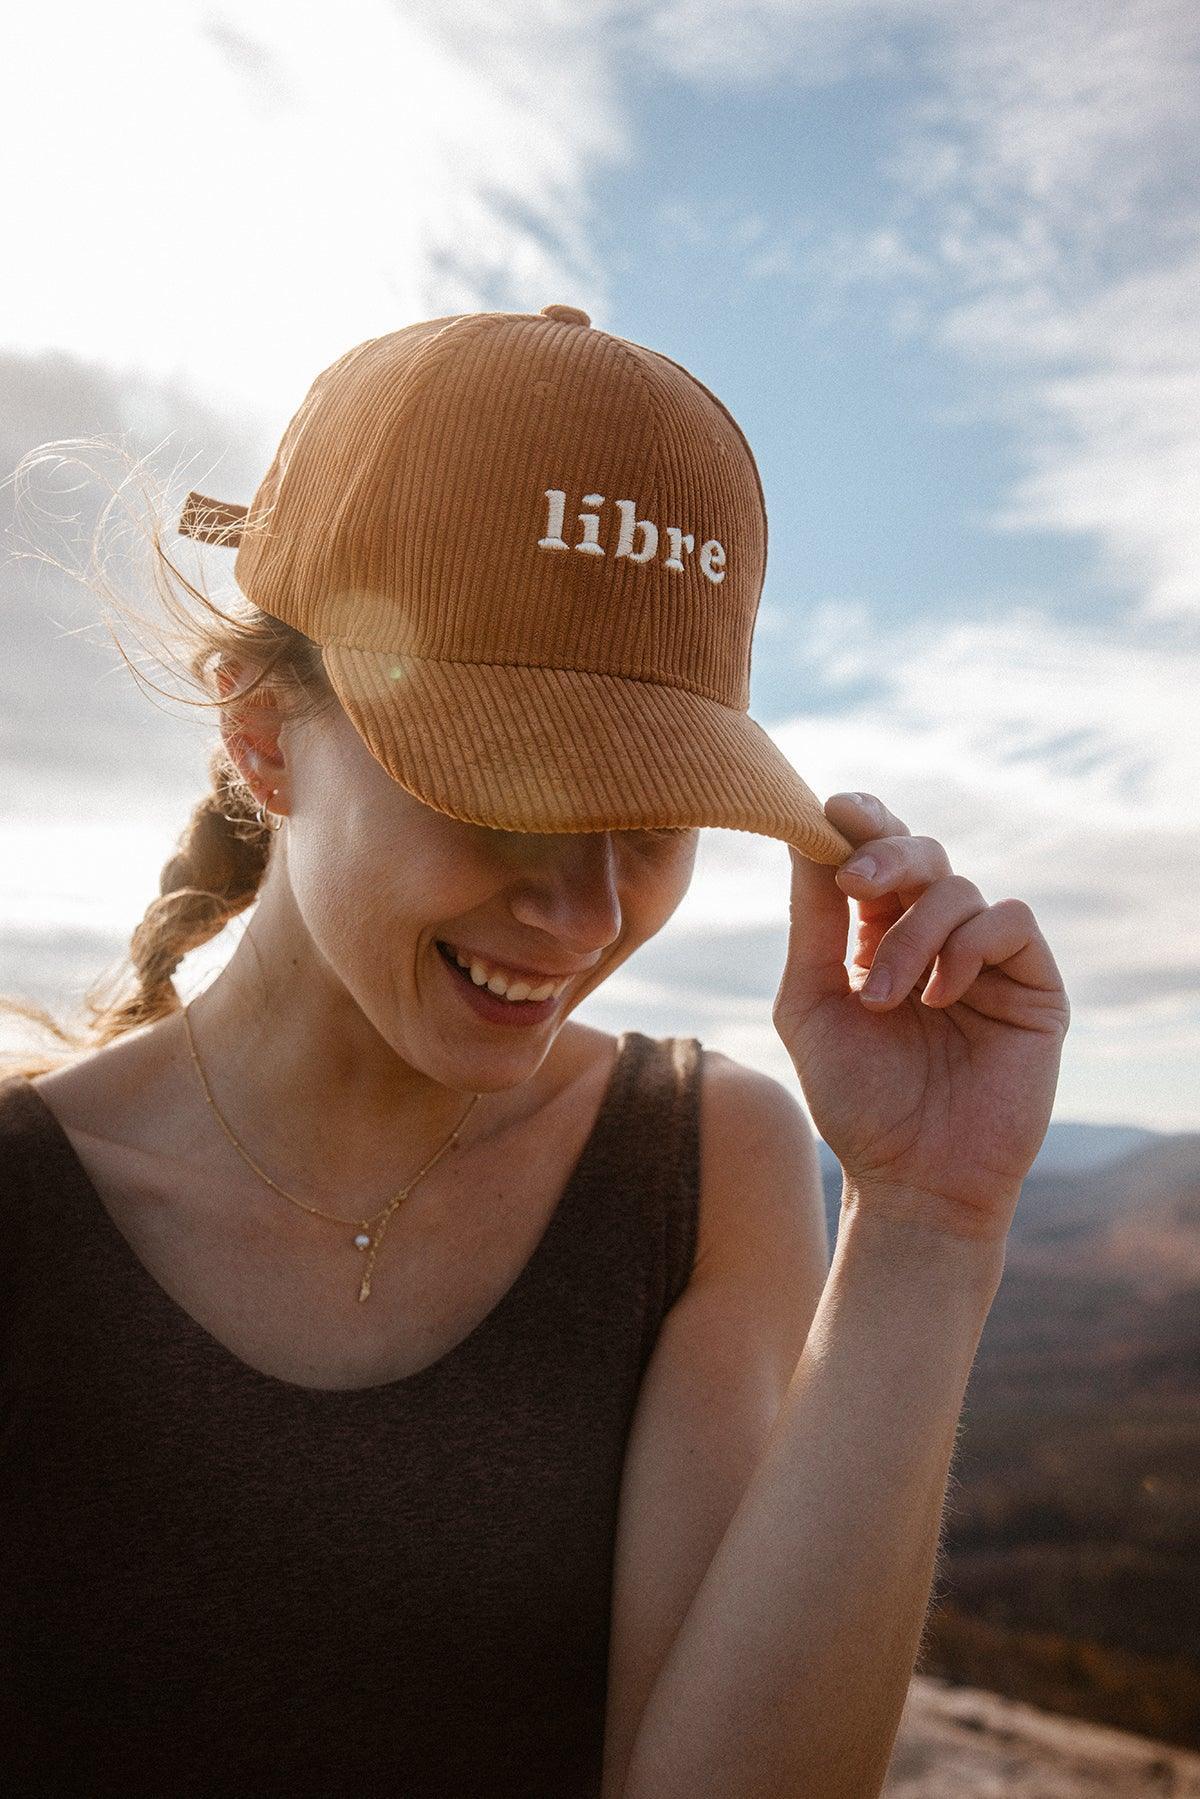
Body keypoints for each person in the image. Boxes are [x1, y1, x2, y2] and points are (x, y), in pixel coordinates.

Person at [0, 303, 1069, 1799]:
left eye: (654, 818)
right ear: (260, 733)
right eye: (503, 795)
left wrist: (931, 1224)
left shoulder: (702, 1164)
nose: (585, 912)